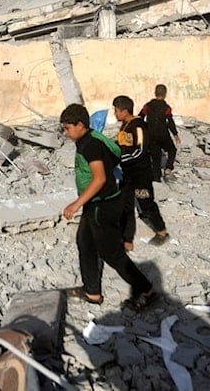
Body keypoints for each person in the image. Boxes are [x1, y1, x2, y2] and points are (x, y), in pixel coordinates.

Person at [60, 103, 158, 311]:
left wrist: (76, 204)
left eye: (67, 128)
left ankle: (147, 290)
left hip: (102, 205)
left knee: (111, 252)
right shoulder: (90, 138)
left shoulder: (91, 145)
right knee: (85, 244)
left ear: (79, 125)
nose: (65, 132)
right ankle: (92, 292)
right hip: (95, 203)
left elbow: (100, 178)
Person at [113, 95, 170, 247]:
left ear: (125, 111)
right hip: (127, 173)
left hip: (140, 174)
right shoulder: (125, 125)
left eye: (116, 111)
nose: (115, 114)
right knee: (124, 204)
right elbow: (122, 144)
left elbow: (140, 150)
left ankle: (162, 231)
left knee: (146, 204)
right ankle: (125, 237)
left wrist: (121, 159)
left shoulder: (137, 126)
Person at [139, 84, 181, 181]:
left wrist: (145, 127)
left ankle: (156, 179)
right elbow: (170, 121)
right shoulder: (166, 108)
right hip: (163, 135)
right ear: (165, 94)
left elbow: (140, 117)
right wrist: (175, 134)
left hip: (151, 136)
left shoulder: (148, 106)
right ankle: (168, 168)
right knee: (172, 150)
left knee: (156, 158)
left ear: (155, 93)